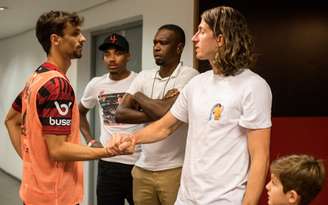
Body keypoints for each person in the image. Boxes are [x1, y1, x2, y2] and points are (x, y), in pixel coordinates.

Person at [114, 6, 272, 205]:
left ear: (221, 39)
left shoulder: (253, 86)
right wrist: (132, 139)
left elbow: (260, 157)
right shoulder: (196, 84)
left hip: (225, 199)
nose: (194, 38)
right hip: (186, 198)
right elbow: (165, 126)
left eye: (202, 31)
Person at [4, 11, 130, 205]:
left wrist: (33, 162)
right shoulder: (57, 85)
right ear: (56, 39)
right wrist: (107, 152)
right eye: (75, 33)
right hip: (56, 197)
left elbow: (11, 121)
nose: (83, 38)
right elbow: (58, 150)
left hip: (34, 192)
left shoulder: (36, 78)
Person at [115, 24, 199, 205]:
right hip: (142, 167)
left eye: (163, 42)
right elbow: (120, 113)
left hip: (174, 168)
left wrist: (139, 98)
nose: (156, 47)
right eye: (155, 43)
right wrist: (161, 111)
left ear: (179, 47)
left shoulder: (190, 76)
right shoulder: (144, 76)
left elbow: (165, 112)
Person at [79, 33, 142, 205]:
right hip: (108, 163)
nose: (112, 59)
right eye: (107, 54)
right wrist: (91, 141)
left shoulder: (140, 81)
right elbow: (79, 113)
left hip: (138, 162)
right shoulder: (96, 84)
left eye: (118, 53)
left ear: (128, 56)